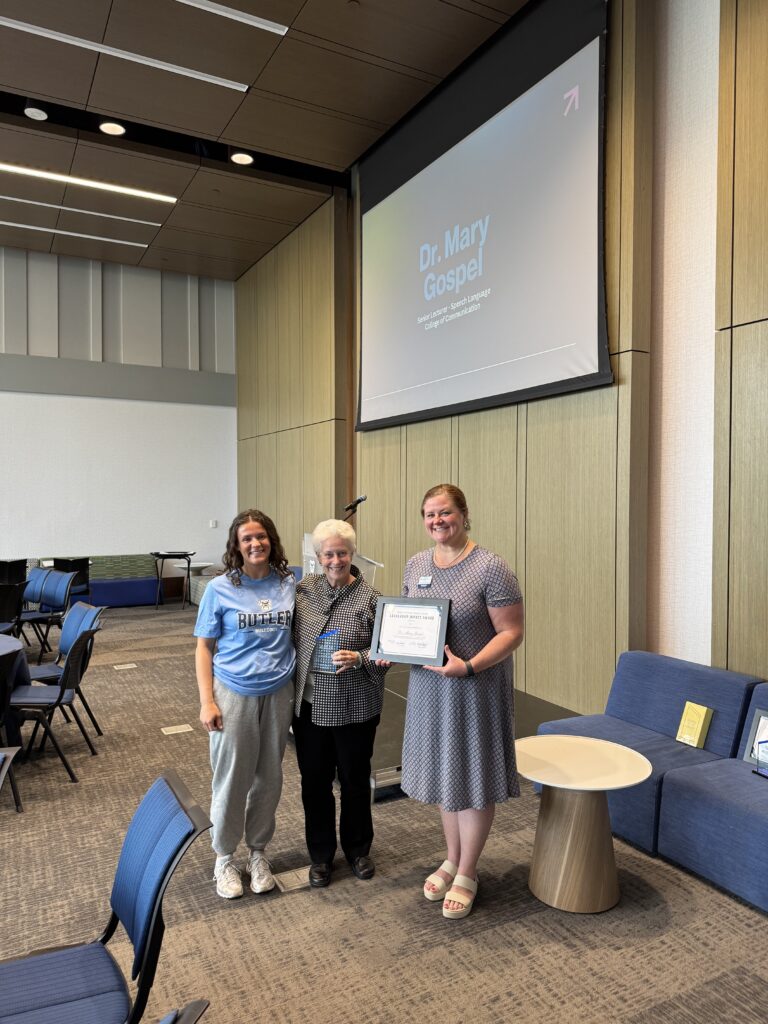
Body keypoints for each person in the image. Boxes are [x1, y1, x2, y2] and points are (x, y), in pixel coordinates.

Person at [401, 484, 524, 919]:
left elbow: (512, 633)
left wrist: (469, 666)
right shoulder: (416, 563)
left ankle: (469, 870)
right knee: (444, 772)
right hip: (430, 689)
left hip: (474, 688)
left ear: (464, 514)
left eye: (445, 513)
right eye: (429, 514)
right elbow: (408, 622)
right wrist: (390, 645)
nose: (437, 521)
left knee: (471, 775)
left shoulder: (491, 567)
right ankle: (452, 857)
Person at [194, 509, 296, 900]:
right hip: (233, 693)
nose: (256, 544)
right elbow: (203, 648)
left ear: (271, 539)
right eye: (247, 539)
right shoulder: (220, 588)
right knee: (232, 778)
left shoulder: (289, 582)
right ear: (236, 546)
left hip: (278, 694)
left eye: (261, 536)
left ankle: (257, 853)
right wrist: (207, 701)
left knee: (269, 778)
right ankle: (223, 857)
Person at [292, 519, 388, 888]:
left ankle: (358, 849)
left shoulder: (372, 599)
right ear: (318, 557)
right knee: (313, 784)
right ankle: (320, 856)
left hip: (356, 709)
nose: (336, 560)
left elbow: (386, 651)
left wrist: (361, 658)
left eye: (342, 553)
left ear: (352, 554)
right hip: (310, 709)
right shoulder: (302, 592)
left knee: (353, 781)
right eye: (328, 553)